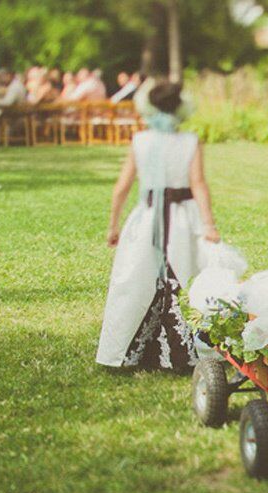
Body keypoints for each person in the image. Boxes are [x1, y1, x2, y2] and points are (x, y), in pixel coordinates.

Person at [96, 79, 220, 370]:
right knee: (186, 274)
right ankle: (187, 350)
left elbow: (122, 187)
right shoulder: (190, 141)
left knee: (137, 276)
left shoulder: (141, 140)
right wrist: (209, 225)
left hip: (147, 216)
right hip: (181, 218)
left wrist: (113, 225)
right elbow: (199, 185)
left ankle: (128, 351)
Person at [0, 70, 27, 141]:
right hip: (15, 111)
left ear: (9, 76)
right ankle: (0, 137)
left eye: (3, 77)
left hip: (15, 113)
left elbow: (8, 102)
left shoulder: (15, 87)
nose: (2, 79)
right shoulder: (15, 85)